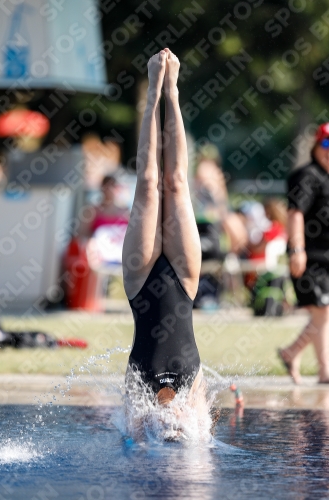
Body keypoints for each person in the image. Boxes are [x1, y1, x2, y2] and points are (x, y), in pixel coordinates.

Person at [122, 49, 207, 438]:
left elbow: (134, 438)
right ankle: (167, 91)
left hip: (140, 283)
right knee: (173, 184)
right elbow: (201, 437)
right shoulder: (193, 386)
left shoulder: (138, 386)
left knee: (150, 187)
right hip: (184, 282)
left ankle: (159, 89)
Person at [278, 123, 329, 384]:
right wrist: (297, 249)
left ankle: (291, 352)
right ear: (316, 146)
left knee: (324, 312)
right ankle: (325, 372)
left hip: (326, 257)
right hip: (309, 256)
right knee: (321, 311)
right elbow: (294, 212)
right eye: (326, 144)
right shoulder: (307, 176)